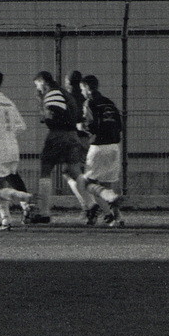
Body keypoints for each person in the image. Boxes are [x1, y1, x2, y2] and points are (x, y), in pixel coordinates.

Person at [30, 70, 92, 224]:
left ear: (43, 81)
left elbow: (54, 114)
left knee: (45, 170)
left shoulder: (52, 94)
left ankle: (44, 212)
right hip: (73, 136)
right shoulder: (65, 93)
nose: (37, 88)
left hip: (58, 134)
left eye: (37, 84)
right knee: (73, 170)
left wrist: (44, 112)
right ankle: (91, 204)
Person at [0, 69, 35, 230]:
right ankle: (6, 221)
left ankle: (24, 198)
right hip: (12, 147)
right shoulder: (7, 101)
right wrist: (8, 133)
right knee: (6, 182)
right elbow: (21, 126)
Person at [79, 74, 126, 228]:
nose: (81, 92)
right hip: (114, 147)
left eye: (81, 89)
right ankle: (118, 218)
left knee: (87, 183)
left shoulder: (89, 103)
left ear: (86, 87)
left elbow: (91, 125)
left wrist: (81, 127)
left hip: (98, 146)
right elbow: (120, 126)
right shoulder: (109, 103)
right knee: (107, 185)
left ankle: (109, 216)